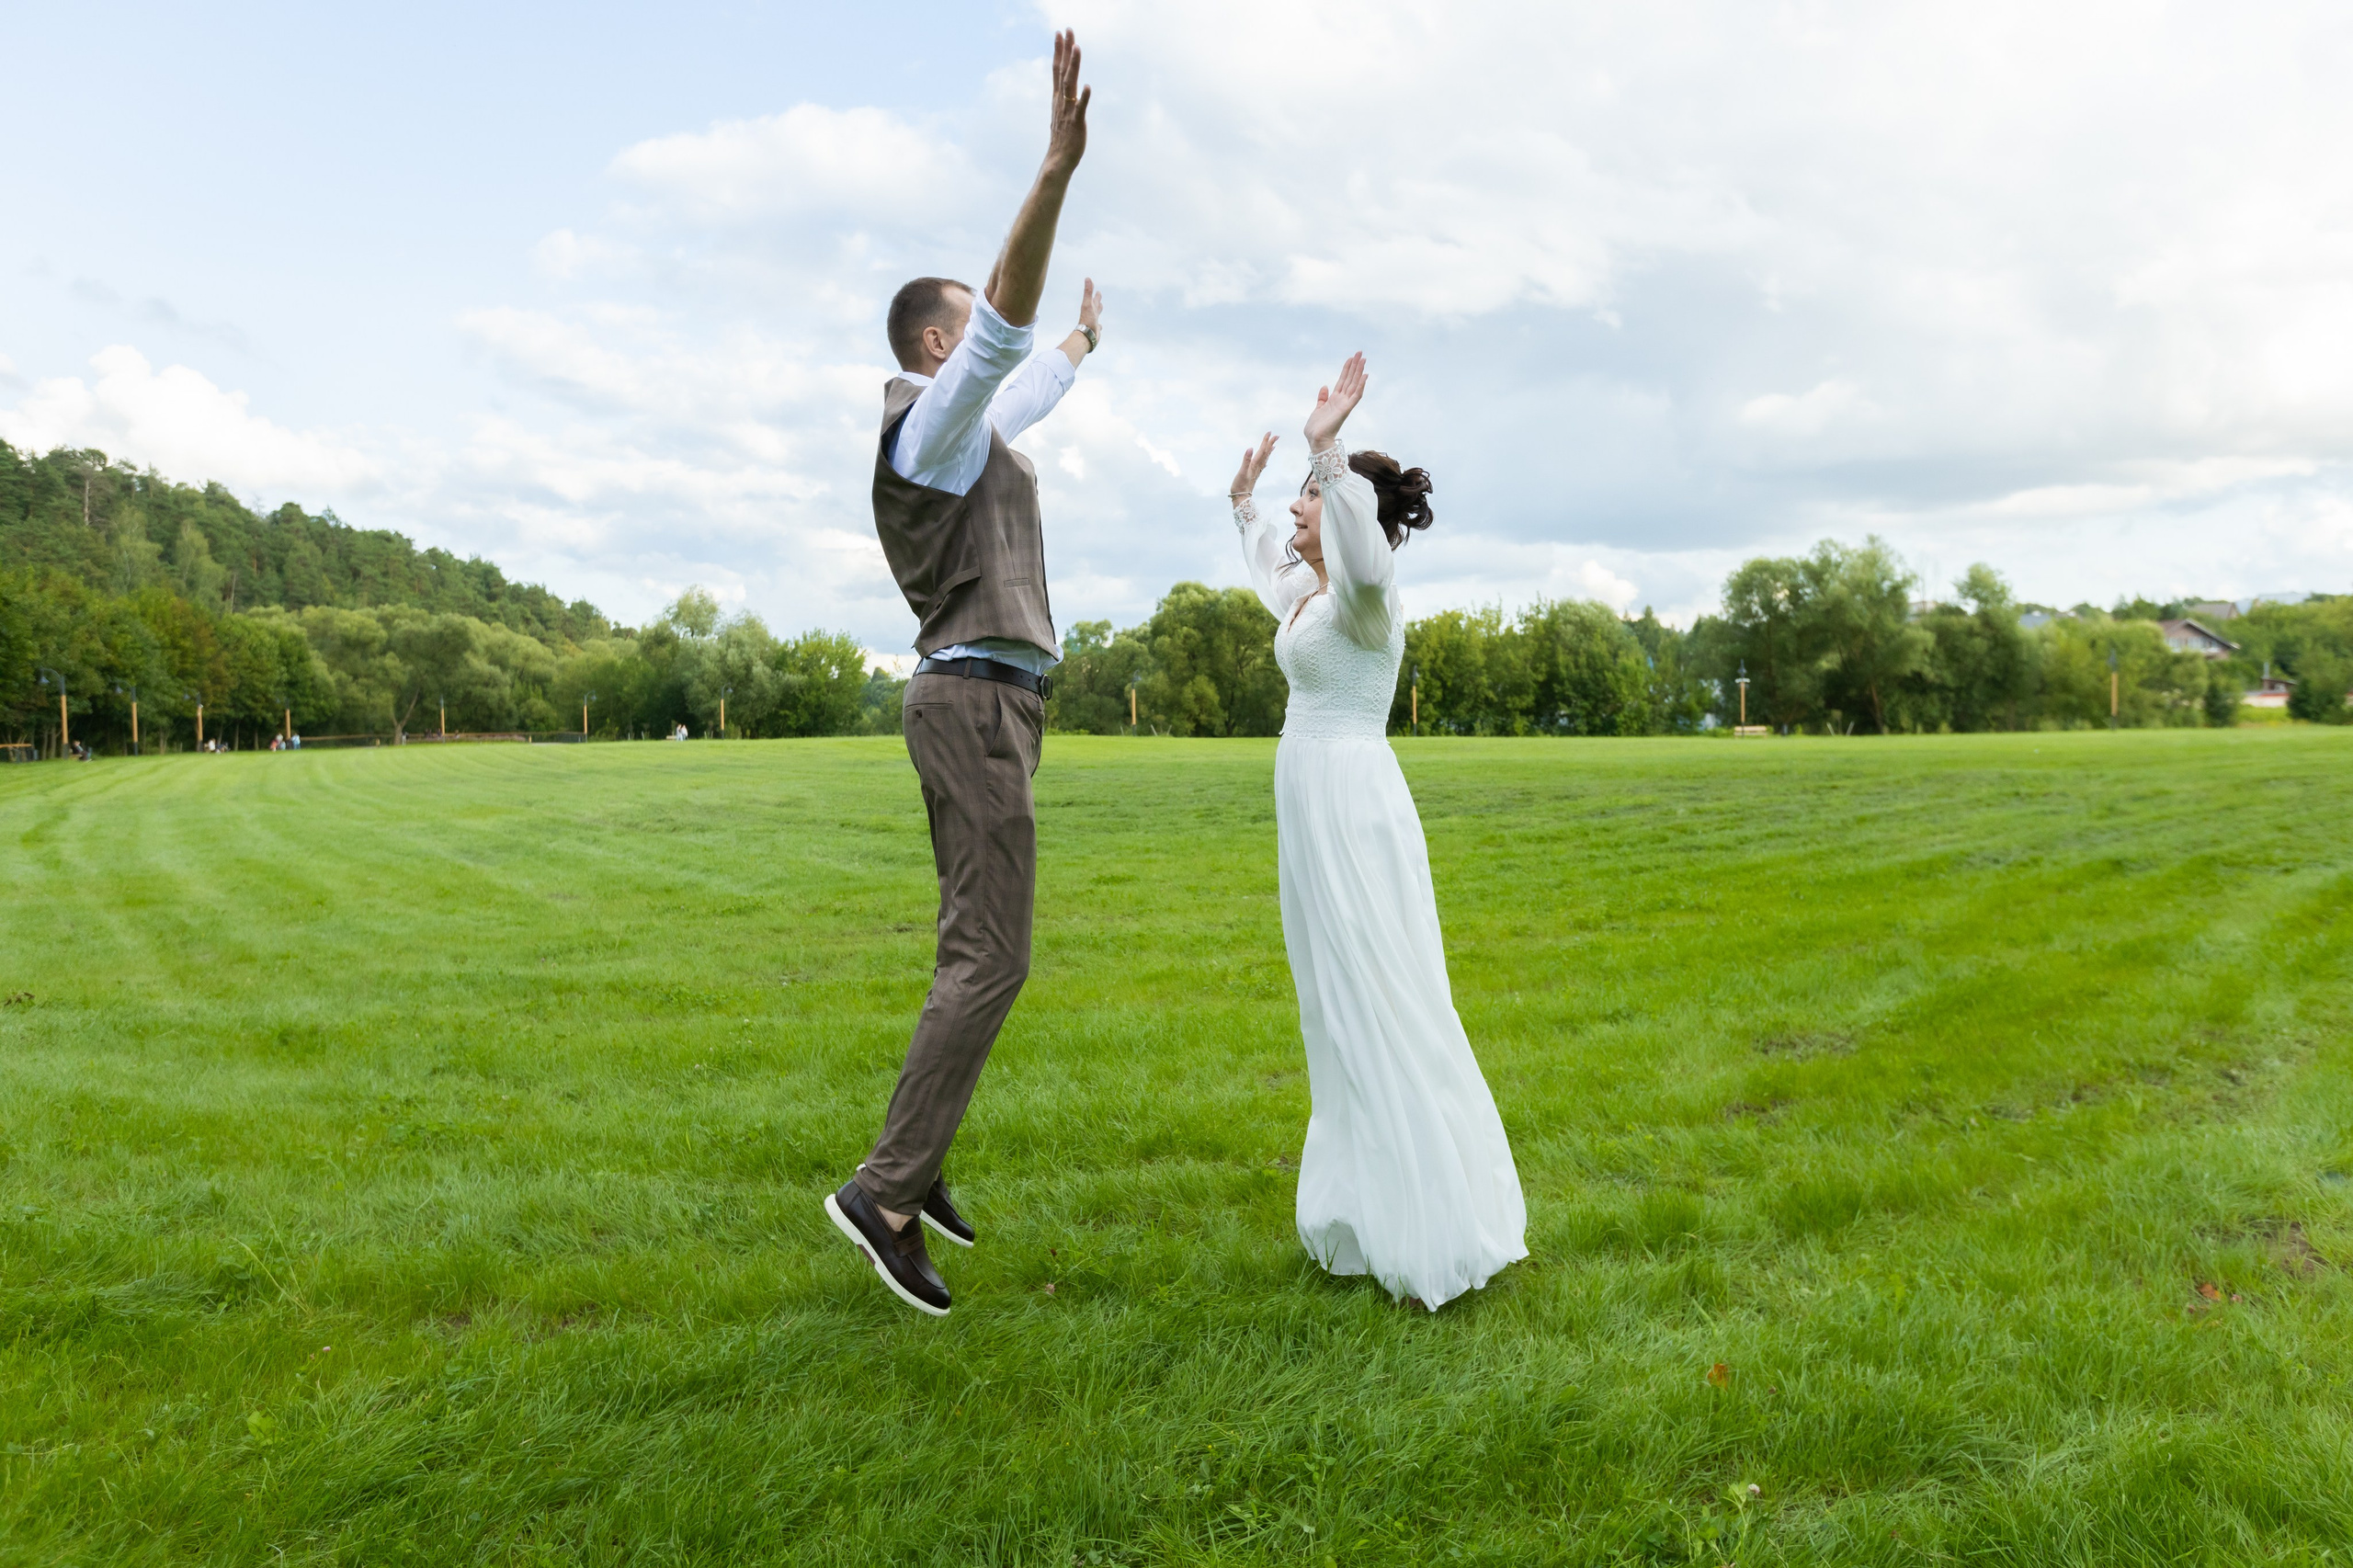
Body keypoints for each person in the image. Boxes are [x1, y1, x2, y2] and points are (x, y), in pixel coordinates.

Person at [824, 28, 1100, 1318]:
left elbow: (1023, 382)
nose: (981, 355)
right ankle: (882, 1195)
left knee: (968, 950)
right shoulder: (929, 425)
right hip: (975, 702)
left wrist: (1081, 354)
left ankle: (915, 1166)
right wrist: (1050, 176)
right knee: (995, 957)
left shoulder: (963, 430)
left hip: (988, 701)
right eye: (967, 339)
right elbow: (1003, 334)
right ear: (936, 349)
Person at [1226, 354, 1528, 1310]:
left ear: (1348, 513)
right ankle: (1358, 1210)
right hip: (1309, 803)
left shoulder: (1365, 599)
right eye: (1301, 501)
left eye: (1311, 502)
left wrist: (1329, 449)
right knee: (1333, 1006)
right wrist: (1245, 505)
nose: (1300, 511)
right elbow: (1274, 567)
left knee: (1381, 995)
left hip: (1353, 805)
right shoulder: (1312, 599)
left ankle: (1434, 1218)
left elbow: (1355, 545)